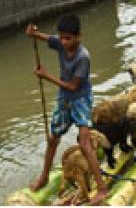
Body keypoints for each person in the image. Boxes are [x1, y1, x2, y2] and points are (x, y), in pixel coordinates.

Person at [25, 15, 107, 205]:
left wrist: (46, 76)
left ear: (79, 36)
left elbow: (73, 86)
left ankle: (102, 189)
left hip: (80, 100)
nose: (64, 42)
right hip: (64, 99)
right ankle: (44, 177)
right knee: (53, 139)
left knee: (85, 144)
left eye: (68, 38)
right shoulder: (61, 44)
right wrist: (33, 34)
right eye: (62, 37)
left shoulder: (83, 57)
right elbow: (48, 38)